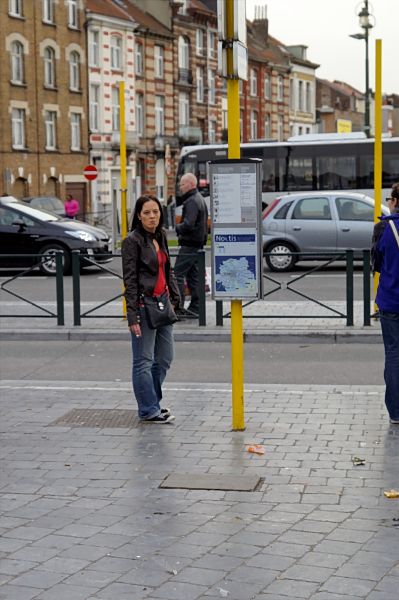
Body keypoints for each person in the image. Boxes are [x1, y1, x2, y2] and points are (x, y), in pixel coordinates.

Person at [122, 195, 180, 424]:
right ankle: (148, 409)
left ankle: (152, 401)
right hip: (143, 306)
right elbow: (130, 279)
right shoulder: (132, 241)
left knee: (165, 358)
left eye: (155, 211)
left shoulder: (161, 236)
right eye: (146, 212)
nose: (152, 216)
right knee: (143, 361)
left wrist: (175, 297)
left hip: (163, 303)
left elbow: (168, 269)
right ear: (138, 215)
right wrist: (132, 315)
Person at [372, 182, 399, 424]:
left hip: (391, 301)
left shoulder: (383, 228)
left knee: (393, 354)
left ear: (395, 201)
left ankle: (396, 412)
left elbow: (377, 263)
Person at [174, 173, 208, 318]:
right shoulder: (199, 199)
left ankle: (178, 308)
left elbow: (189, 224)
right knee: (194, 277)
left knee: (177, 275)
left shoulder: (192, 201)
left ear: (190, 184)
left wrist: (177, 228)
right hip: (197, 244)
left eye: (182, 185)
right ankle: (196, 308)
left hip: (190, 244)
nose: (180, 188)